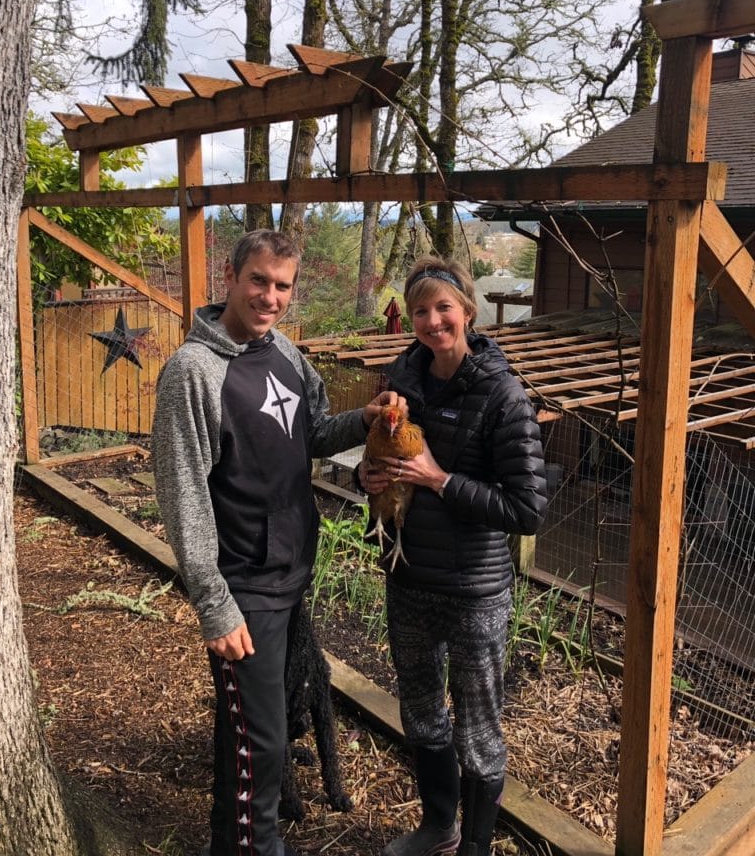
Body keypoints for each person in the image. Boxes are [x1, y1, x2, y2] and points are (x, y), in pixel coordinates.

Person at [152, 229, 403, 856]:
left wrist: (364, 420)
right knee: (262, 746)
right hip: (243, 585)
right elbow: (182, 492)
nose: (270, 296)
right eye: (258, 280)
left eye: (283, 285)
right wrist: (214, 601)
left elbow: (312, 430)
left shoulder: (284, 352)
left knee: (249, 733)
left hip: (290, 571)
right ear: (230, 277)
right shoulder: (194, 372)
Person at [360, 257, 547, 856]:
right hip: (409, 576)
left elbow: (527, 510)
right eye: (420, 310)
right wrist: (369, 479)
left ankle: (477, 847)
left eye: (444, 307)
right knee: (420, 712)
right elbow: (383, 464)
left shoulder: (503, 396)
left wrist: (441, 480)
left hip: (473, 589)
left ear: (467, 310)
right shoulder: (402, 381)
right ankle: (440, 827)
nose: (432, 320)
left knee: (478, 731)